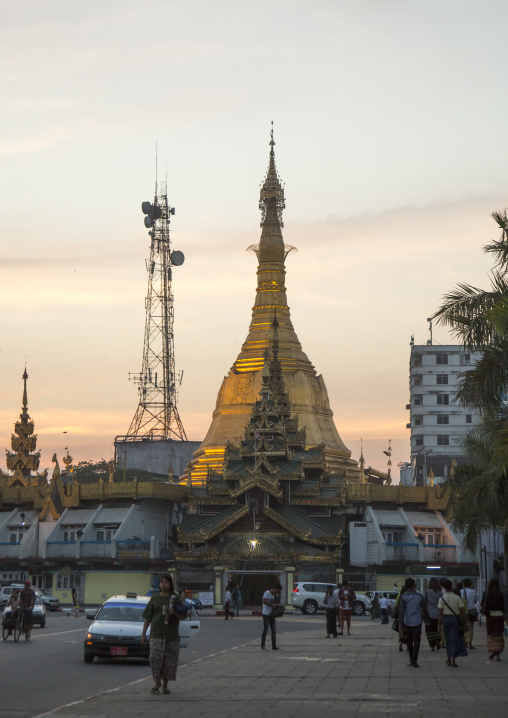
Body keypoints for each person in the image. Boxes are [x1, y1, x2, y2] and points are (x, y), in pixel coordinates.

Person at [141, 574, 185, 694]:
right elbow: (147, 617)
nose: (163, 584)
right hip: (156, 634)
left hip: (171, 635)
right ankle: (156, 682)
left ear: (170, 584)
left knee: (168, 661)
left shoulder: (175, 599)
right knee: (155, 658)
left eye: (166, 582)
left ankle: (165, 685)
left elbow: (183, 616)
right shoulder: (154, 598)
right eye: (161, 582)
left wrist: (174, 613)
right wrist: (143, 634)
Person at [399, 577, 430, 668]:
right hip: (417, 621)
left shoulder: (404, 596)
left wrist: (400, 624)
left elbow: (401, 611)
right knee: (417, 640)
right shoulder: (420, 596)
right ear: (414, 585)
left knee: (409, 641)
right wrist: (427, 619)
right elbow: (424, 609)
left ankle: (411, 659)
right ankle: (414, 659)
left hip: (407, 621)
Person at [438, 578, 468, 667]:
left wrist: (439, 624)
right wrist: (465, 622)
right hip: (455, 620)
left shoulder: (442, 598)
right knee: (454, 639)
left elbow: (440, 613)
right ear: (451, 586)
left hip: (446, 620)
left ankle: (448, 658)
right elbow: (462, 611)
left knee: (447, 640)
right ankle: (453, 660)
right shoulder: (457, 597)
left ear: (444, 587)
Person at [482, 577, 505, 661]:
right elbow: (503, 607)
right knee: (499, 634)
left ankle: (493, 649)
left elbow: (483, 604)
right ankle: (498, 655)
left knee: (491, 634)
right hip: (499, 616)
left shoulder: (486, 593)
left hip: (490, 617)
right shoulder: (500, 594)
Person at [261, 582, 282, 650]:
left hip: (271, 615)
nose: (277, 593)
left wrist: (276, 606)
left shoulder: (273, 596)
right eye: (277, 591)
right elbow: (263, 600)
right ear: (275, 589)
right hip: (266, 614)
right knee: (266, 630)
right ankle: (263, 645)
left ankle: (274, 646)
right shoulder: (267, 593)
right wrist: (272, 605)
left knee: (274, 630)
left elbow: (272, 604)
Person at [423, 577, 442, 651]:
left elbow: (424, 602)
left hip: (429, 613)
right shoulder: (440, 592)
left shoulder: (427, 592)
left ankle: (432, 645)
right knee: (437, 629)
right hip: (438, 613)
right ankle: (437, 641)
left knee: (429, 630)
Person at [460, 578, 478, 649]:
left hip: (464, 612)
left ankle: (464, 642)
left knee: (464, 626)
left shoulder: (461, 591)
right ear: (470, 584)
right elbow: (476, 601)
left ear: (464, 585)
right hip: (471, 611)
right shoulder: (473, 591)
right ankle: (470, 643)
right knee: (471, 627)